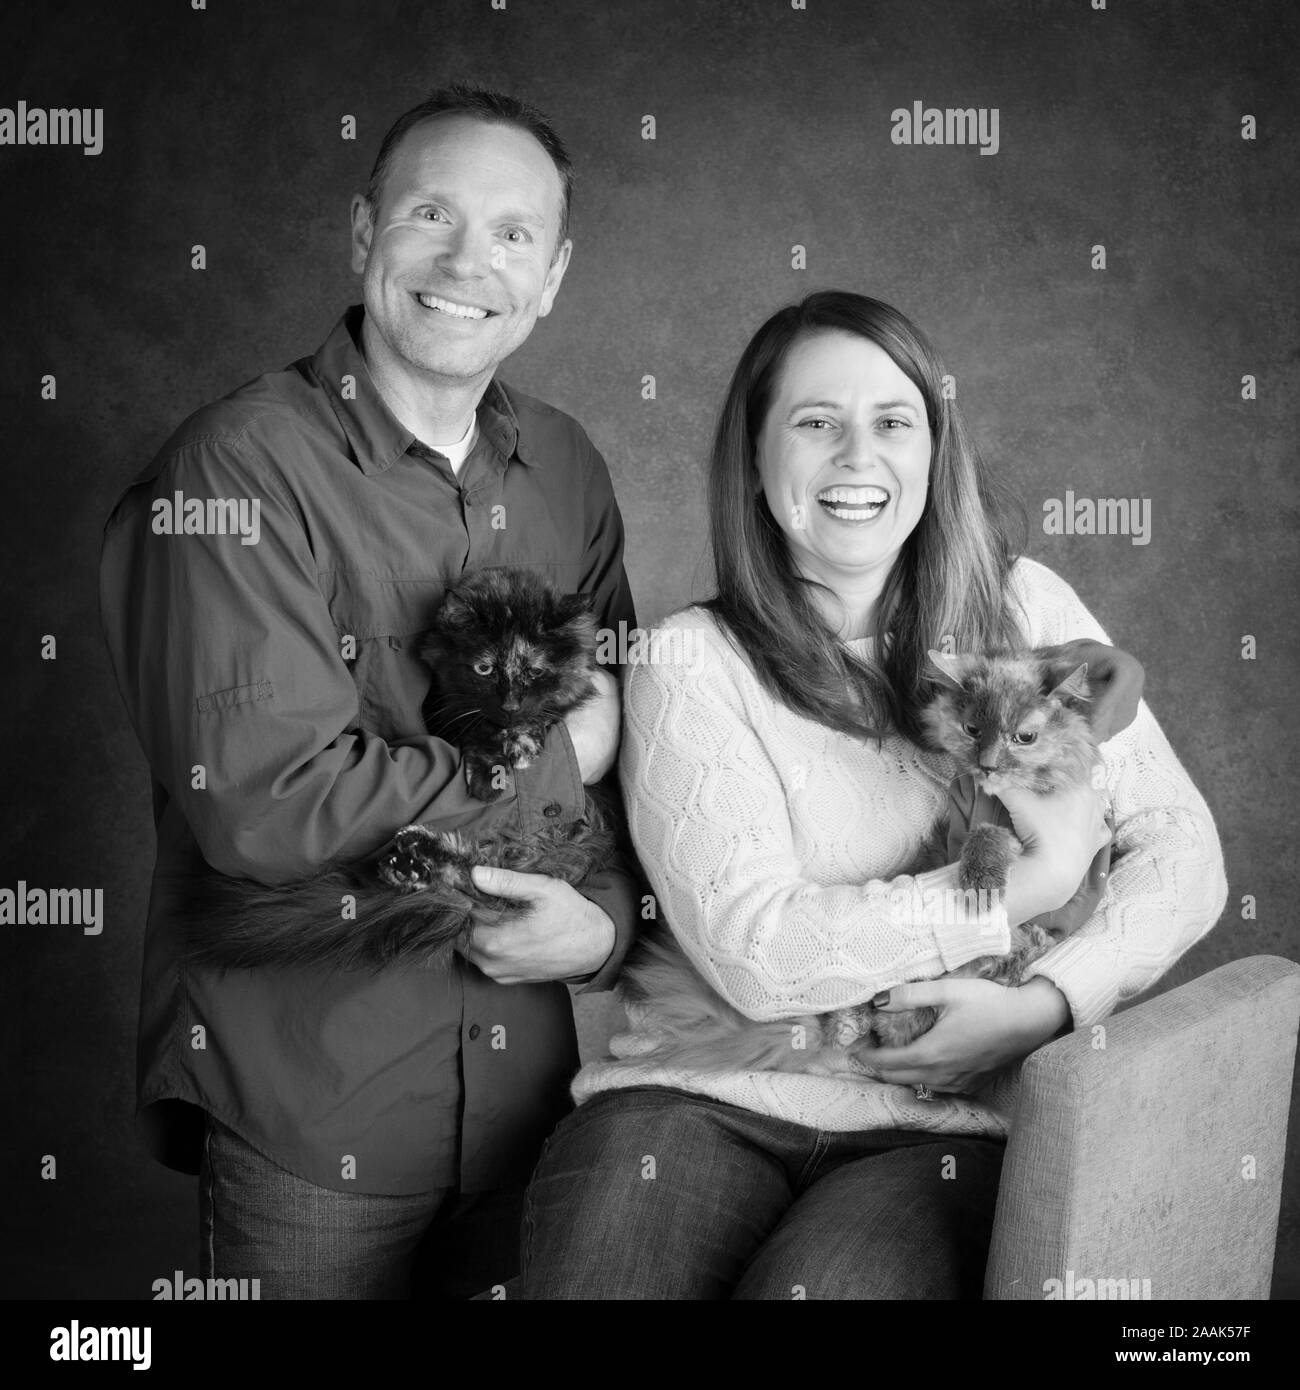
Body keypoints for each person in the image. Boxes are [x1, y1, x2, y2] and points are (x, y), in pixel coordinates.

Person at [516, 291, 1228, 1300]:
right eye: (815, 424)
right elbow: (760, 955)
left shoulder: (1027, 606)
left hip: (945, 1125)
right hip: (698, 1098)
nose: (857, 457)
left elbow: (1186, 859)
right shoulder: (691, 661)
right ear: (756, 468)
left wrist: (1041, 1006)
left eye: (892, 423)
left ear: (934, 454)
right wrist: (1032, 882)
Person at [98, 86, 643, 1299]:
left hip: (528, 1106)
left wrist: (600, 926)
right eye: (430, 214)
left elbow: (640, 742)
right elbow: (270, 802)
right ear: (363, 236)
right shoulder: (235, 470)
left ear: (550, 277)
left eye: (511, 235)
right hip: (312, 1108)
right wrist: (565, 760)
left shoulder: (567, 467)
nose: (467, 261)